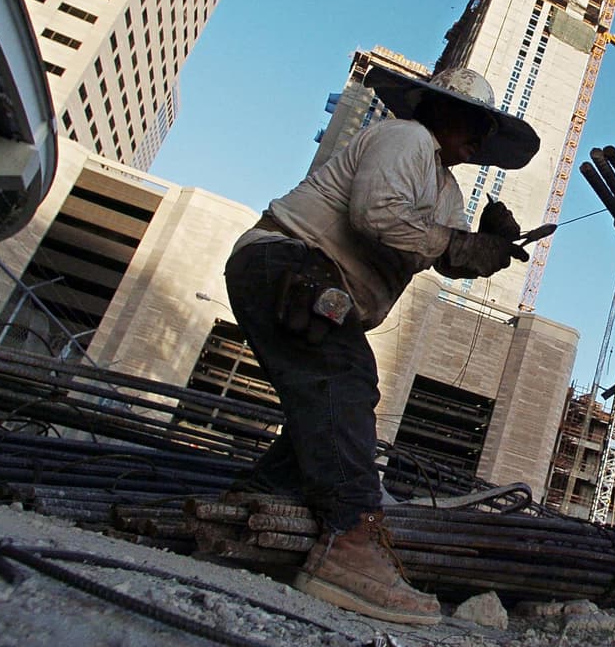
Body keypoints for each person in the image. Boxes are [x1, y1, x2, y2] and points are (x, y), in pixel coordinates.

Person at [223, 66, 539, 624]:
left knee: (328, 398)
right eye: (473, 121)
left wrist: (489, 243)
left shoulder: (446, 188)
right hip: (289, 261)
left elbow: (439, 248)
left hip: (307, 274)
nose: (480, 137)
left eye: (487, 129)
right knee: (343, 380)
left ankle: (250, 503)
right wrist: (463, 245)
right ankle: (349, 544)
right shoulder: (406, 137)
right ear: (437, 109)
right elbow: (377, 216)